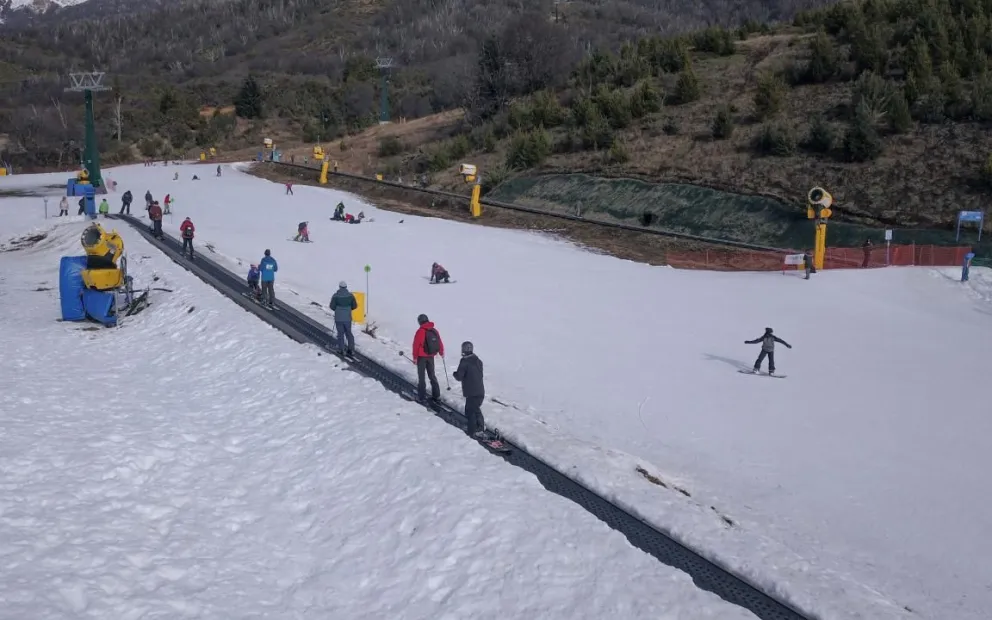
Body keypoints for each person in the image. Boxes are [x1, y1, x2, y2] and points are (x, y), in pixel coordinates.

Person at [453, 341, 486, 438]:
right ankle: (480, 427)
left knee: (470, 411)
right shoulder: (478, 361)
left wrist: (455, 374)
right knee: (475, 409)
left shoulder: (464, 361)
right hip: (480, 390)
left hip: (471, 392)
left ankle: (472, 431)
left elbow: (459, 376)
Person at [412, 313, 444, 402]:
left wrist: (415, 357)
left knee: (421, 377)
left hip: (421, 357)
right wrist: (441, 352)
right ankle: (436, 395)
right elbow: (439, 342)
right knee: (432, 375)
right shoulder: (434, 330)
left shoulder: (420, 331)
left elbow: (416, 345)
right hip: (431, 356)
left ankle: (421, 397)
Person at [329, 281, 358, 356]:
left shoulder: (335, 296)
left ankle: (341, 349)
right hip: (347, 318)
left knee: (340, 334)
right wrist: (348, 309)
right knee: (349, 333)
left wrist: (338, 309)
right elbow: (355, 306)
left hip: (339, 318)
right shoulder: (350, 296)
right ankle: (351, 350)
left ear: (339, 287)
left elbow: (332, 306)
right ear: (346, 287)